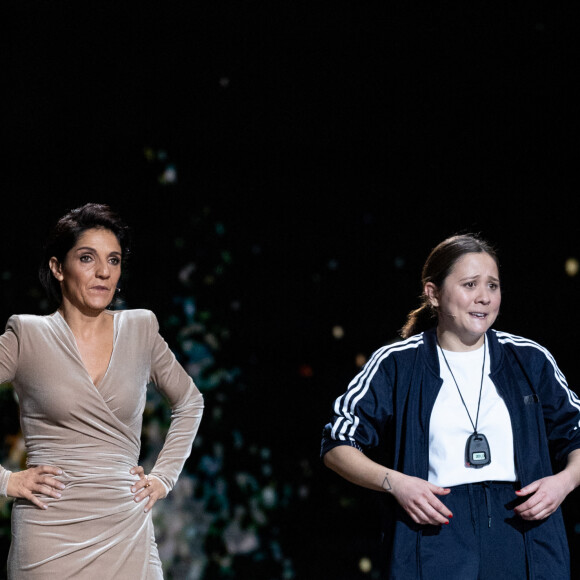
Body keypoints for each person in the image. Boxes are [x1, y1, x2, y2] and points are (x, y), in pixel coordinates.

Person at [321, 233, 580, 579]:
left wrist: (564, 482)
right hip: (434, 534)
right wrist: (395, 482)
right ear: (433, 293)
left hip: (525, 532)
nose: (484, 298)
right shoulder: (397, 363)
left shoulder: (529, 359)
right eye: (470, 284)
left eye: (493, 285)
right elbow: (337, 444)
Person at [0, 203, 204, 579]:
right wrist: (6, 480)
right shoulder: (26, 335)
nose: (103, 272)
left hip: (127, 532)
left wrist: (163, 477)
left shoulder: (141, 329)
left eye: (113, 260)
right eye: (87, 258)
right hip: (49, 535)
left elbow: (190, 401)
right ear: (58, 268)